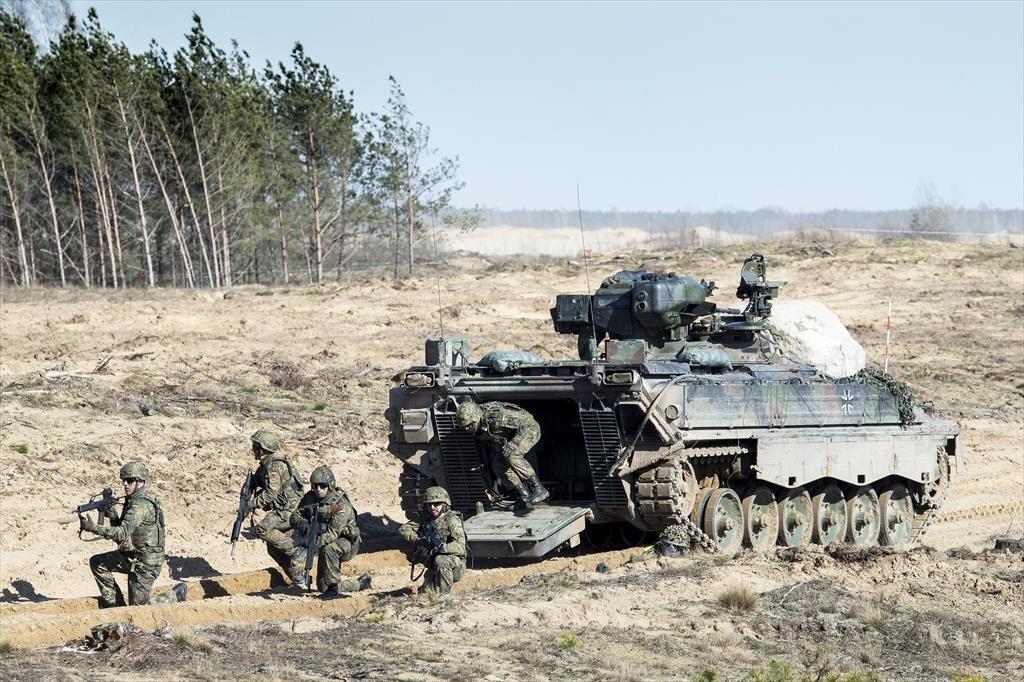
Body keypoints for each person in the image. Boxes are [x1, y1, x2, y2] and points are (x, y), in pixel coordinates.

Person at [78, 461, 185, 607]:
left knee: (139, 608)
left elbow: (121, 534)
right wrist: (112, 514)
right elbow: (124, 531)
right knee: (98, 563)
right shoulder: (131, 501)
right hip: (133, 556)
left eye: (129, 481)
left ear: (140, 481)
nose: (125, 485)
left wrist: (93, 528)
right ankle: (116, 605)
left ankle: (174, 595)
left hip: (146, 563)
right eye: (123, 481)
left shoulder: (141, 505)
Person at [287, 465, 370, 596]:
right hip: (322, 541)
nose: (318, 489)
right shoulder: (310, 498)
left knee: (329, 549)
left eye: (322, 486)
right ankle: (360, 583)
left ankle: (333, 588)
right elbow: (294, 516)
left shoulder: (341, 505)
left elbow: (332, 534)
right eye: (314, 486)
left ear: (330, 485)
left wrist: (312, 544)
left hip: (346, 543)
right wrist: (302, 523)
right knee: (322, 586)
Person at [455, 401, 550, 511]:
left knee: (512, 454)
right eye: (465, 427)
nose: (468, 429)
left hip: (529, 430)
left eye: (470, 425)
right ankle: (523, 496)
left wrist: (514, 442)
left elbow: (526, 422)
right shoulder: (480, 427)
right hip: (513, 437)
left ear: (477, 417)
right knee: (498, 464)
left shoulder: (496, 416)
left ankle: (539, 489)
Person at [249, 429, 305, 574]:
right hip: (287, 507)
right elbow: (261, 482)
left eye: (255, 447)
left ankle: (295, 550)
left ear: (263, 449)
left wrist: (252, 504)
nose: (253, 450)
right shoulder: (267, 464)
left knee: (262, 529)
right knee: (272, 547)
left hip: (292, 510)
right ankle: (296, 575)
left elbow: (270, 494)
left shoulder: (274, 466)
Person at [399, 486, 466, 595]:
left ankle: (445, 597)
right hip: (434, 566)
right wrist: (419, 540)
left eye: (436, 504)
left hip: (454, 565)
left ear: (444, 504)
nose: (432, 507)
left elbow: (460, 548)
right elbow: (403, 529)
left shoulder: (452, 520)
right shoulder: (425, 518)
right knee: (423, 594)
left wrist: (441, 547)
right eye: (429, 505)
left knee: (441, 560)